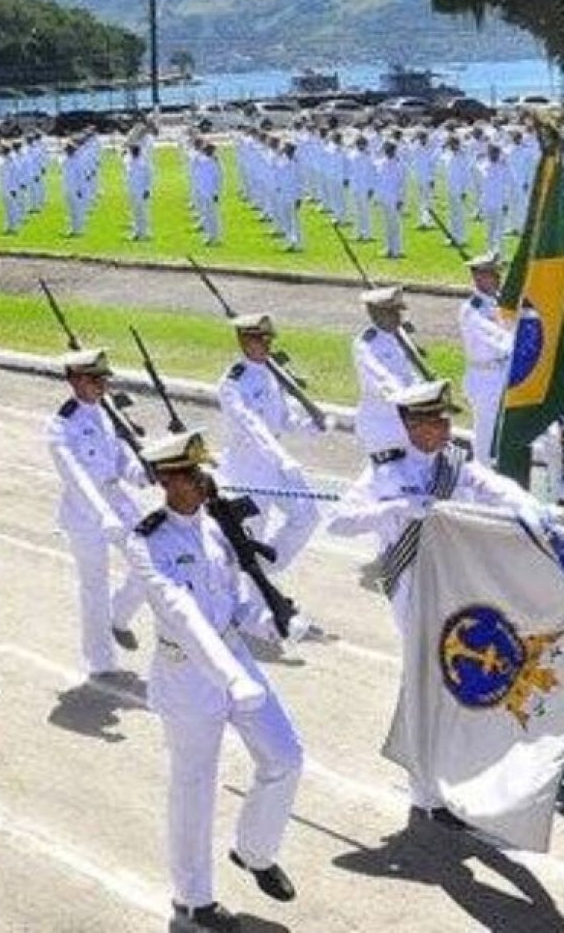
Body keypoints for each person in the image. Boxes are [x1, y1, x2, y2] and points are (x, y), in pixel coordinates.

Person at [328, 378, 551, 824]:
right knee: (427, 683)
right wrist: (394, 509)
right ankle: (426, 795)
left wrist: (532, 509)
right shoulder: (384, 472)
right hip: (411, 591)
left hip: (452, 589)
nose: (446, 426)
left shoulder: (455, 463)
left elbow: (493, 487)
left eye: (447, 418)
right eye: (436, 419)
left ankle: (444, 785)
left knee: (451, 684)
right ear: (413, 424)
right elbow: (339, 522)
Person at [125, 429, 302, 931]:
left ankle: (253, 850)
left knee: (285, 755)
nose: (204, 479)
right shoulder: (147, 543)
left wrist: (275, 620)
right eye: (192, 473)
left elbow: (234, 602)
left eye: (203, 470)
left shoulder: (216, 527)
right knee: (194, 787)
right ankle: (192, 901)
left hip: (234, 655)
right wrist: (229, 675)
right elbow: (181, 614)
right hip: (187, 675)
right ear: (165, 479)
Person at [46, 348, 150, 675]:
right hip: (83, 510)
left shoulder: (106, 412)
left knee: (152, 559)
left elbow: (120, 459)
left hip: (116, 498)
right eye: (94, 379)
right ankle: (100, 661)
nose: (102, 385)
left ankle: (118, 615)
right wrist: (102, 513)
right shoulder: (60, 425)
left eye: (104, 378)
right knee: (94, 584)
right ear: (74, 380)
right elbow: (74, 476)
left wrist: (142, 473)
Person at [216, 314, 323, 572]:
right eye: (260, 340)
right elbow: (252, 426)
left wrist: (312, 426)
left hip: (274, 463)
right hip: (248, 469)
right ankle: (243, 601)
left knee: (307, 515)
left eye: (268, 339)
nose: (267, 345)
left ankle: (267, 568)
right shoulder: (232, 384)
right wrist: (282, 458)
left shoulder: (272, 372)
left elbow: (284, 419)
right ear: (244, 341)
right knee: (249, 537)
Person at [352, 287, 421, 454]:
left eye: (399, 311)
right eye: (392, 312)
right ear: (376, 314)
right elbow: (384, 380)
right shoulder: (366, 345)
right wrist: (415, 398)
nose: (399, 316)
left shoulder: (400, 336)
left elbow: (411, 371)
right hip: (381, 423)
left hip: (406, 419)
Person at [459, 253, 512, 465]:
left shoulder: (499, 301)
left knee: (501, 434)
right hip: (485, 377)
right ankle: (482, 482)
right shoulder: (472, 310)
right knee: (486, 436)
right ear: (478, 277)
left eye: (497, 272)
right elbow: (500, 340)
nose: (498, 277)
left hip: (503, 373)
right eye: (491, 273)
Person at [374, 141, 407, 259]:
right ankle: (389, 248)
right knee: (386, 225)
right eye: (386, 149)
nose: (388, 151)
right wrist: (377, 197)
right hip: (384, 198)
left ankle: (397, 249)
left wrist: (401, 199)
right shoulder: (379, 163)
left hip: (395, 198)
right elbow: (378, 181)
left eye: (390, 149)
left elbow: (402, 184)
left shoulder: (399, 165)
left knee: (396, 225)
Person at [126, 143, 152, 240]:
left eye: (133, 151)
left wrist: (147, 189)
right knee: (135, 212)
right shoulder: (129, 162)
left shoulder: (144, 163)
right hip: (132, 190)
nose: (132, 153)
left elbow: (149, 177)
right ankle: (137, 232)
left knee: (143, 212)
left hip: (141, 191)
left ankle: (144, 233)